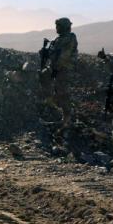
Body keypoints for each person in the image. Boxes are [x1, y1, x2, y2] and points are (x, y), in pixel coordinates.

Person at [39, 17, 79, 148]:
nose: (56, 28)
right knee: (45, 78)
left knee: (63, 93)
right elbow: (53, 53)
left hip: (64, 69)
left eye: (58, 26)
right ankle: (52, 106)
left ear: (65, 27)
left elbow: (63, 56)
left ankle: (67, 119)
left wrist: (54, 66)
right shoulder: (59, 39)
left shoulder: (69, 38)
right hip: (57, 68)